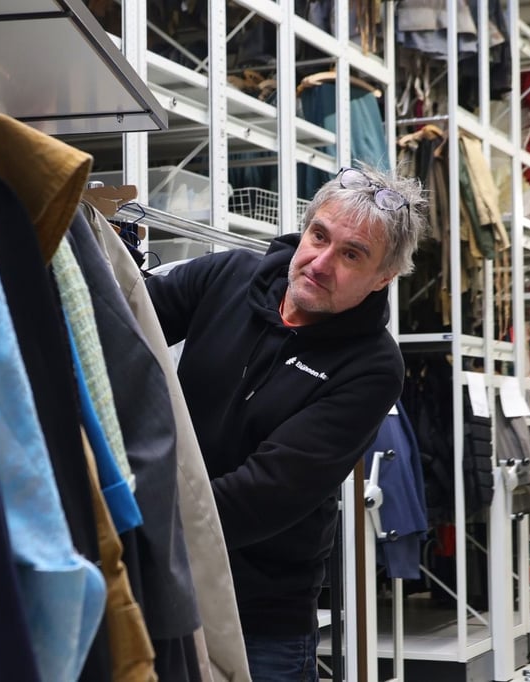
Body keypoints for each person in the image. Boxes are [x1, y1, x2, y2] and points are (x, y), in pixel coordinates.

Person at [145, 165, 428, 681]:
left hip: (260, 615)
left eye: (351, 255)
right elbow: (123, 324)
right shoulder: (227, 277)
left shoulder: (372, 365)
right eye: (319, 236)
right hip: (164, 583)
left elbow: (265, 493)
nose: (320, 262)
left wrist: (134, 523)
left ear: (383, 278)